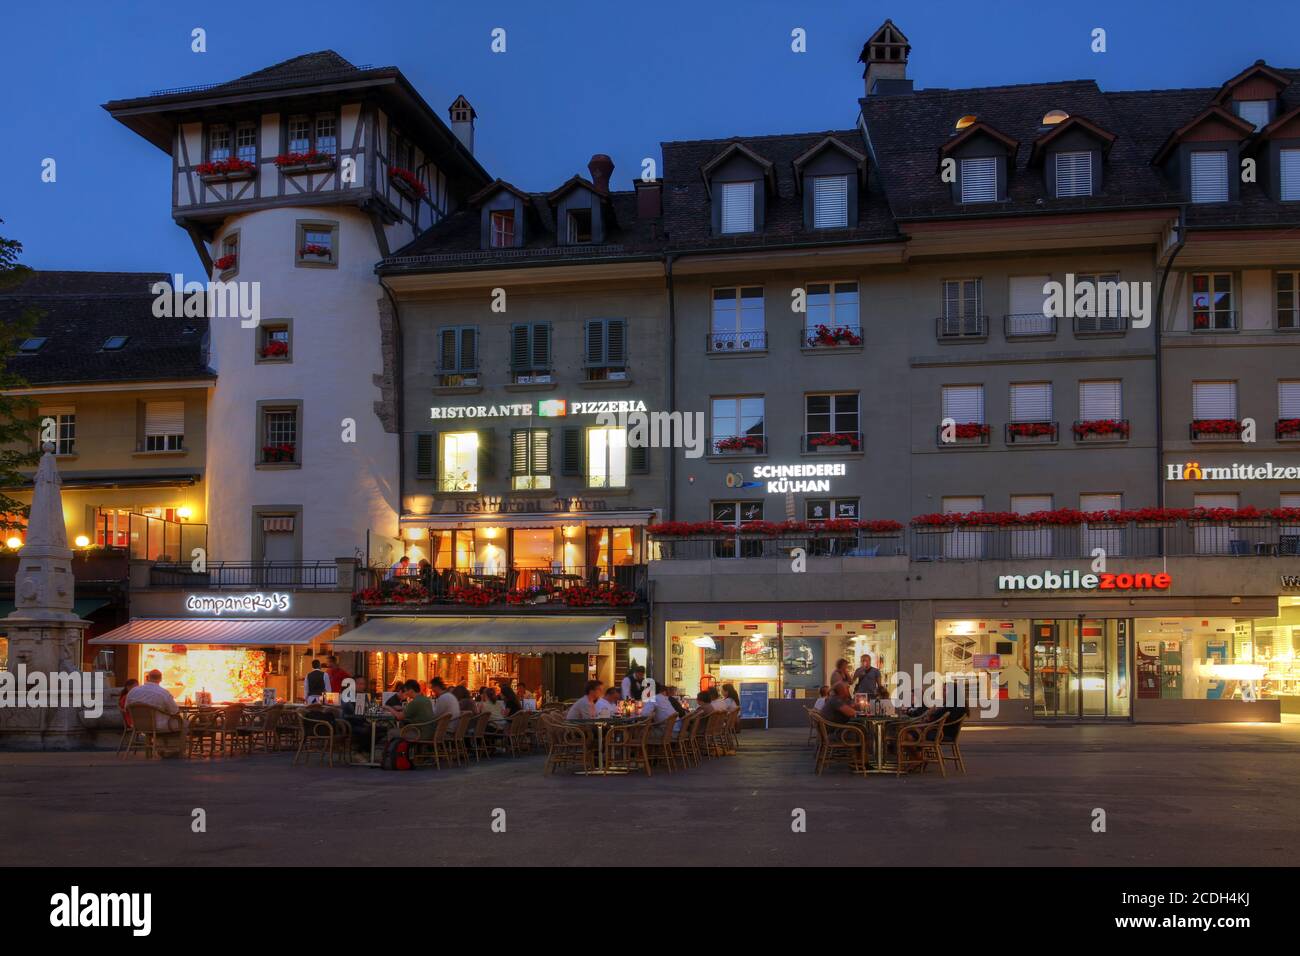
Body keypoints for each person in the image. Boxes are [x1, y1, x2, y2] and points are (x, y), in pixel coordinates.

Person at [124, 670, 186, 756]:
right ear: (160, 679)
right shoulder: (163, 693)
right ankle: (175, 750)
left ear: (148, 678)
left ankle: (163, 748)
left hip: (138, 725)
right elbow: (175, 711)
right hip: (159, 726)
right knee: (183, 723)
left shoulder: (133, 691)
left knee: (167, 722)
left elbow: (126, 707)